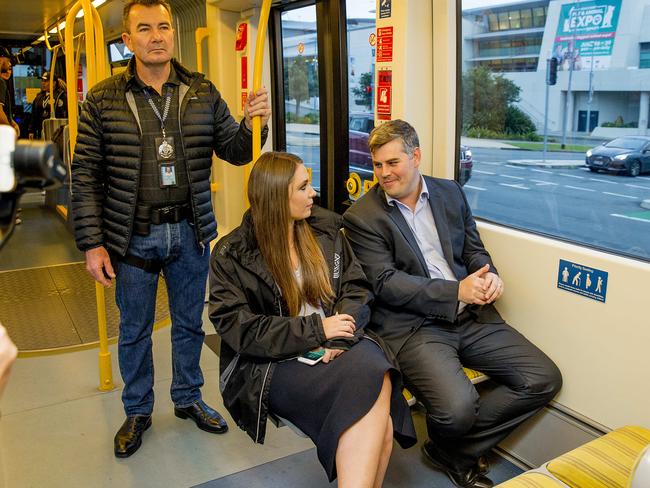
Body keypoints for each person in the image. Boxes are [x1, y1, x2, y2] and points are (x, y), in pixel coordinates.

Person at [71, 0, 271, 459]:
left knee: (188, 323)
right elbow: (84, 175)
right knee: (136, 329)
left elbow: (238, 151)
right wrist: (92, 244)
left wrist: (253, 120)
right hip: (132, 236)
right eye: (145, 29)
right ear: (128, 40)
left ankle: (187, 398)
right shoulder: (103, 100)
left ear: (173, 34)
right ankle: (138, 409)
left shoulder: (201, 92)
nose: (157, 35)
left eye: (164, 26)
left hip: (190, 231)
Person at [343, 120, 562, 488]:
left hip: (469, 316)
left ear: (416, 156)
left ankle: (451, 451)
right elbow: (386, 284)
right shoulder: (363, 216)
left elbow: (473, 250)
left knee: (542, 378)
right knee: (458, 410)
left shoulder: (450, 193)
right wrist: (455, 292)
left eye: (392, 163)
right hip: (414, 327)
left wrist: (488, 275)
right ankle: (456, 440)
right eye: (377, 164)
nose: (382, 173)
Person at [209, 152, 416, 487]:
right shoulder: (232, 253)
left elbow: (356, 288)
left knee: (374, 380)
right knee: (378, 403)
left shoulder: (325, 229)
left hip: (336, 339)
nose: (314, 193)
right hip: (274, 362)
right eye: (303, 187)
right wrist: (317, 329)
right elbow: (239, 329)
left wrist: (336, 336)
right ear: (277, 196)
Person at [28, 71, 67, 140]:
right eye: (42, 81)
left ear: (54, 83)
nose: (43, 83)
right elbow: (33, 115)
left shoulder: (61, 96)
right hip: (41, 132)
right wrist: (31, 130)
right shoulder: (39, 97)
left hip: (57, 133)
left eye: (46, 81)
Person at [0, 47, 19, 137]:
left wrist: (12, 122)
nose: (9, 64)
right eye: (8, 60)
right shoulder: (0, 81)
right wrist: (10, 131)